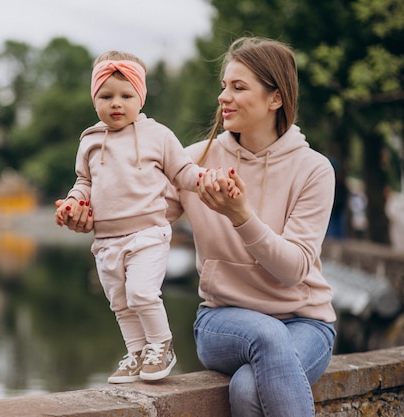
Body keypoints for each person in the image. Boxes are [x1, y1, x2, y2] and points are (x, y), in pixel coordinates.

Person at [58, 37, 336, 416]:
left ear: (276, 98)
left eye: (238, 87)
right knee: (266, 336)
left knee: (246, 388)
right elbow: (143, 216)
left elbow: (294, 271)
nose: (224, 96)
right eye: (224, 86)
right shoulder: (194, 163)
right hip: (223, 320)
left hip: (305, 322)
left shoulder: (314, 169)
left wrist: (241, 216)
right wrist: (88, 216)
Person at [55, 50, 238, 384]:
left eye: (127, 96)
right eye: (106, 96)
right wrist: (72, 202)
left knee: (141, 293)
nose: (117, 103)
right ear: (94, 99)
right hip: (106, 240)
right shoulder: (90, 141)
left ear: (141, 98)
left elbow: (183, 172)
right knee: (121, 303)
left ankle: (161, 344)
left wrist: (208, 179)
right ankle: (136, 352)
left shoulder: (158, 135)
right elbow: (84, 182)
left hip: (148, 233)